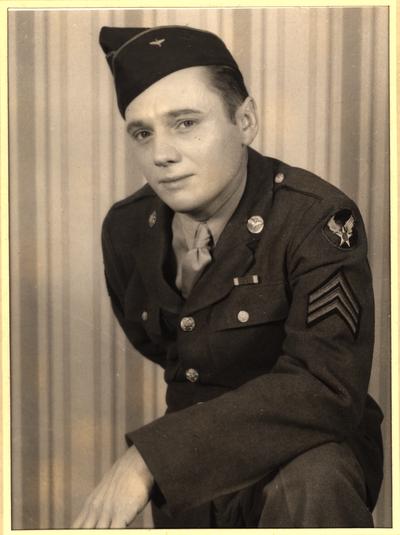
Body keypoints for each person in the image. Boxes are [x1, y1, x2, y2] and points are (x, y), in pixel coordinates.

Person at [73, 25, 384, 529]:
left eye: (186, 122)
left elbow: (326, 388)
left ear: (246, 120)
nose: (162, 154)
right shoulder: (128, 228)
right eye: (142, 132)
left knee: (316, 481)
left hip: (303, 464)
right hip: (195, 478)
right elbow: (164, 344)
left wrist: (149, 458)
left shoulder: (317, 219)